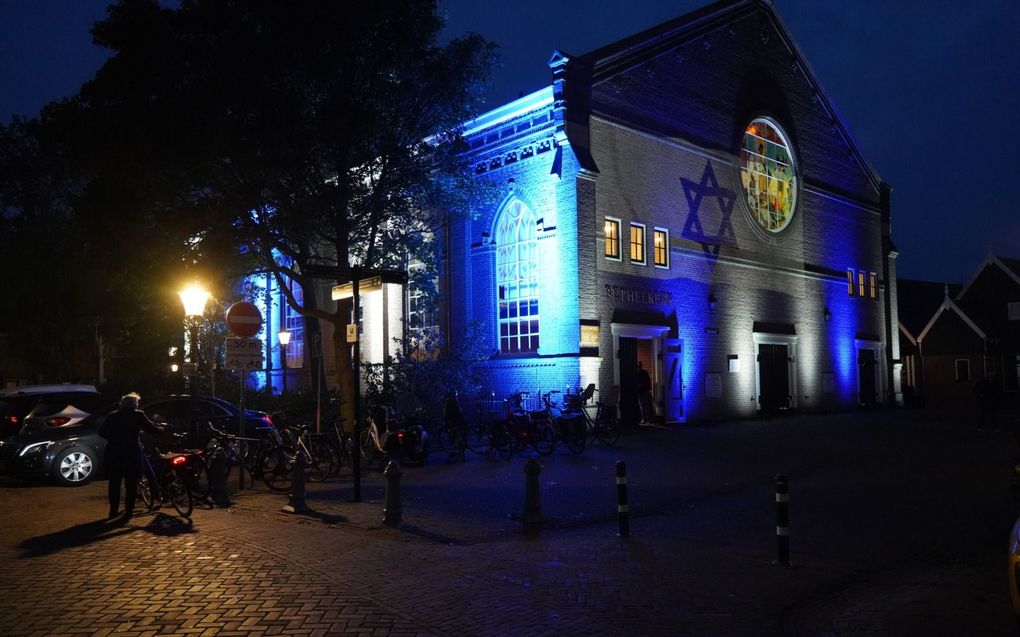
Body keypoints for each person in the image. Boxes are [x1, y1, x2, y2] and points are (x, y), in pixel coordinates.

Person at [98, 392, 165, 521]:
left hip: (114, 453)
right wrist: (161, 430)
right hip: (131, 453)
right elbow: (151, 428)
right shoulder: (138, 415)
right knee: (131, 484)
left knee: (114, 484)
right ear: (134, 405)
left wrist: (115, 438)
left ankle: (113, 511)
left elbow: (101, 432)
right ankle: (128, 511)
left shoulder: (112, 416)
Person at [637, 361, 654, 425]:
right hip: (645, 391)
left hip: (642, 392)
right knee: (646, 406)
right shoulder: (645, 372)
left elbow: (641, 384)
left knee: (643, 406)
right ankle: (647, 419)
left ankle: (645, 419)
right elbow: (648, 382)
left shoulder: (639, 374)